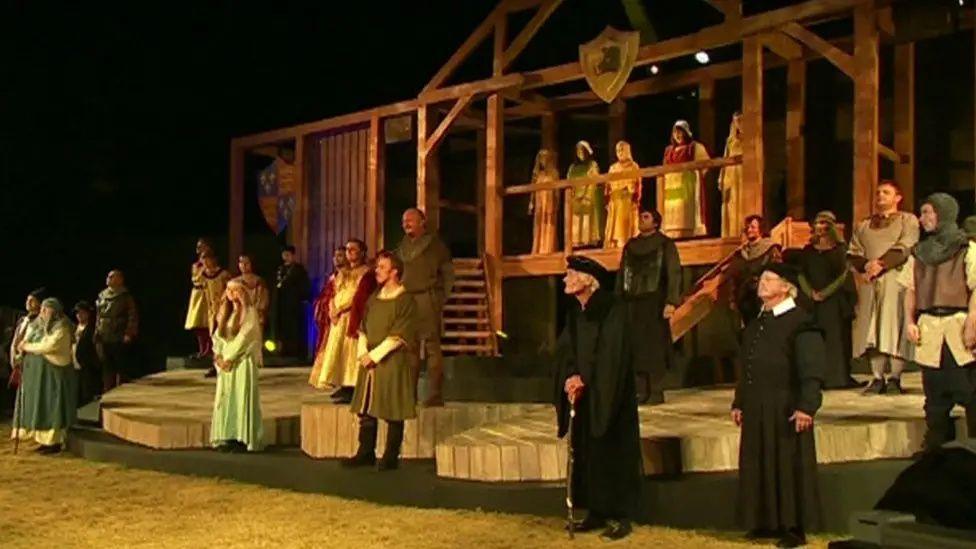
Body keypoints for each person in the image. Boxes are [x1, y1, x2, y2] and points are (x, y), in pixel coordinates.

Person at [730, 263, 824, 548]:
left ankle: (794, 527)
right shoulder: (758, 322)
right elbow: (747, 365)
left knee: (787, 462)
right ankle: (765, 521)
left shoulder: (801, 321)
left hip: (786, 404)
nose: (763, 283)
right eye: (763, 278)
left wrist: (807, 406)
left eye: (770, 279)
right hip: (758, 403)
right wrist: (740, 401)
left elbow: (811, 369)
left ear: (786, 288)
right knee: (759, 459)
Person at [555, 256, 641, 541]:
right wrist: (570, 376)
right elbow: (566, 350)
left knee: (611, 451)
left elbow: (611, 355)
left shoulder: (612, 309)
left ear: (588, 280)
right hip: (585, 396)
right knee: (588, 452)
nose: (565, 279)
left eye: (571, 274)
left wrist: (587, 379)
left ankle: (620, 515)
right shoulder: (575, 313)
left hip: (609, 393)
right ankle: (596, 510)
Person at [898, 193, 976, 452]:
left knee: (969, 389)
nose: (922, 219)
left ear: (943, 214)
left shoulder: (967, 248)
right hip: (930, 326)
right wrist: (910, 321)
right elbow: (910, 289)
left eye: (927, 212)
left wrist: (972, 324)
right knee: (934, 393)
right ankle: (936, 445)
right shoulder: (919, 253)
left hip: (958, 323)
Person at [343, 251, 417, 471]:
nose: (377, 270)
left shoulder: (405, 300)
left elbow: (399, 334)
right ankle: (365, 452)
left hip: (391, 361)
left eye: (382, 267)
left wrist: (375, 356)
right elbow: (364, 326)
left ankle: (390, 456)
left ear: (394, 272)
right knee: (366, 408)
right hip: (369, 361)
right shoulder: (374, 297)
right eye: (377, 267)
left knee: (392, 407)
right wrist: (363, 351)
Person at [848, 180, 919, 395]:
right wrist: (866, 265)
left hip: (895, 280)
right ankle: (877, 377)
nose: (880, 196)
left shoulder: (908, 220)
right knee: (871, 330)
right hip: (870, 283)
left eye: (886, 193)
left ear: (897, 198)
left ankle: (895, 378)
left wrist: (881, 263)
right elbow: (853, 251)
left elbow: (906, 246)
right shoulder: (864, 224)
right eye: (878, 192)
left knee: (893, 326)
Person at [615, 209, 680, 404]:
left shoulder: (665, 244)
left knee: (655, 348)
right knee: (635, 347)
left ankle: (656, 391)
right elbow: (622, 274)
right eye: (640, 217)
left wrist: (671, 301)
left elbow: (674, 273)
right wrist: (618, 300)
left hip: (655, 301)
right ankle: (640, 391)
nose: (641, 220)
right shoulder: (631, 246)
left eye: (646, 217)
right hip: (633, 302)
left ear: (656, 222)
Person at [791, 211, 859, 389]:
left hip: (833, 301)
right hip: (811, 301)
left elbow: (843, 276)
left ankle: (836, 378)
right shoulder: (808, 251)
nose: (820, 227)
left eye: (824, 224)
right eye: (818, 223)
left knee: (835, 339)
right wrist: (810, 292)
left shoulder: (840, 250)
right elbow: (801, 273)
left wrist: (825, 293)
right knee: (814, 339)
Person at [396, 208, 454, 407]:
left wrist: (440, 298)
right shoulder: (403, 247)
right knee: (409, 348)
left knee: (431, 347)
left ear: (422, 222)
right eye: (404, 221)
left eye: (411, 220)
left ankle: (435, 394)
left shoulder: (435, 245)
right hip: (407, 300)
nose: (407, 224)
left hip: (426, 299)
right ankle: (409, 395)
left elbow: (448, 274)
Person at [309, 239, 376, 403]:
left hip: (351, 316)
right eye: (347, 249)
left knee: (350, 351)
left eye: (353, 249)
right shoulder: (342, 273)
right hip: (337, 318)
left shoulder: (366, 272)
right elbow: (332, 293)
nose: (349, 252)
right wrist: (332, 308)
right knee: (338, 351)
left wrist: (341, 309)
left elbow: (359, 296)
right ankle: (342, 384)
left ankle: (352, 386)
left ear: (362, 252)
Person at [12, 298, 79, 454]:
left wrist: (28, 347)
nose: (42, 312)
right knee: (39, 406)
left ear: (54, 311)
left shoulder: (62, 327)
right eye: (41, 309)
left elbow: (50, 346)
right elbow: (24, 340)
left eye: (46, 309)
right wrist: (21, 352)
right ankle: (42, 440)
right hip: (37, 376)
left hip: (53, 375)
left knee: (51, 406)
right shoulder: (36, 325)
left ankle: (53, 442)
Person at [211, 279, 265, 453]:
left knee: (241, 397)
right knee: (226, 400)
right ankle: (227, 435)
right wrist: (219, 356)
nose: (231, 293)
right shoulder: (225, 313)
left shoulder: (249, 313)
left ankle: (242, 438)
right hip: (226, 364)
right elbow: (218, 336)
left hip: (241, 362)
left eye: (235, 290)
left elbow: (246, 336)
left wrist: (230, 357)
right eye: (228, 290)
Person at [658, 120, 710, 239]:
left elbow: (705, 164)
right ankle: (673, 233)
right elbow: (664, 168)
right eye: (676, 133)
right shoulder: (668, 150)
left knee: (686, 211)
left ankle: (688, 233)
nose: (678, 135)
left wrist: (694, 174)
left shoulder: (694, 147)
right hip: (671, 188)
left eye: (681, 132)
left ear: (686, 133)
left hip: (688, 185)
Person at [729, 215, 782, 323]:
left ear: (760, 229)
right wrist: (732, 299)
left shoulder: (770, 250)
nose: (749, 230)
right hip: (744, 299)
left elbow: (778, 273)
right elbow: (734, 277)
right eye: (747, 227)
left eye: (753, 227)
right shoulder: (740, 254)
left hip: (763, 299)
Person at [95, 270, 138, 391]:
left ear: (120, 279)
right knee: (106, 365)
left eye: (112, 277)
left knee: (120, 365)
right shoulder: (102, 295)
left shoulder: (125, 296)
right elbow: (98, 316)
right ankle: (107, 390)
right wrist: (97, 333)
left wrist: (129, 333)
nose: (108, 279)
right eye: (108, 276)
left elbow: (132, 316)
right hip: (104, 334)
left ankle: (121, 390)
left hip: (118, 334)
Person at [270, 245, 311, 359]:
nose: (286, 257)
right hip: (281, 305)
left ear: (293, 255)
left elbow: (304, 286)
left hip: (294, 304)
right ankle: (282, 350)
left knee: (295, 328)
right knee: (282, 329)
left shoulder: (299, 269)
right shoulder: (280, 269)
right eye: (284, 255)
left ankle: (296, 352)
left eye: (288, 255)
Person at [604, 141, 641, 249]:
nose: (620, 152)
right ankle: (615, 244)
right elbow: (607, 186)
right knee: (615, 225)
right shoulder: (613, 168)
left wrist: (635, 197)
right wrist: (607, 199)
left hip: (627, 200)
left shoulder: (634, 166)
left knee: (626, 225)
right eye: (618, 150)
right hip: (615, 201)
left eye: (622, 150)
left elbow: (638, 184)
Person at [567, 141, 603, 249]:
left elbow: (593, 181)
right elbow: (569, 181)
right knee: (576, 220)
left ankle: (588, 241)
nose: (580, 153)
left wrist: (587, 196)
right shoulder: (572, 167)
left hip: (588, 197)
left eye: (582, 151)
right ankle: (577, 242)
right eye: (578, 151)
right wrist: (572, 195)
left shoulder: (592, 165)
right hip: (575, 198)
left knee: (587, 219)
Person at [8, 288, 45, 390]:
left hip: (31, 361)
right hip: (18, 361)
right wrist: (14, 356)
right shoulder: (23, 320)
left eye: (32, 300)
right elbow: (15, 340)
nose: (28, 302)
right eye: (27, 300)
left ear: (39, 303)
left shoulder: (42, 321)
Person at [313, 246, 348, 352]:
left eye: (340, 256)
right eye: (335, 256)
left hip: (343, 316)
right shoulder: (332, 277)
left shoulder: (349, 276)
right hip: (329, 315)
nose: (336, 258)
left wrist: (337, 309)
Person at [184, 239, 214, 358]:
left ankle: (209, 349)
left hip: (207, 292)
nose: (199, 250)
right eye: (198, 247)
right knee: (197, 323)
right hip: (197, 293)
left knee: (208, 322)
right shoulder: (196, 265)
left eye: (202, 247)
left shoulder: (211, 263)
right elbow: (195, 278)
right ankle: (202, 349)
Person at [529, 149, 560, 254]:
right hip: (539, 201)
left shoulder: (554, 173)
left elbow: (557, 190)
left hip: (549, 201)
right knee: (539, 223)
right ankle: (538, 248)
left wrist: (557, 201)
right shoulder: (538, 175)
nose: (543, 161)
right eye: (541, 158)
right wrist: (531, 202)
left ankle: (548, 248)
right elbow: (533, 189)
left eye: (545, 158)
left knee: (549, 223)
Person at [718, 112, 743, 238]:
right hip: (732, 174)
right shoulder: (730, 141)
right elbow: (725, 158)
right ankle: (732, 233)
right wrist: (722, 178)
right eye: (736, 121)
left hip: (744, 174)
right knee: (732, 203)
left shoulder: (750, 139)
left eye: (741, 120)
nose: (739, 123)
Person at [72, 301, 101, 404]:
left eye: (82, 313)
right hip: (74, 366)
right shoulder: (74, 328)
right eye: (77, 313)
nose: (79, 315)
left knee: (86, 395)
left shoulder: (93, 330)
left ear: (88, 314)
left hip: (87, 367)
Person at [232, 253, 269, 327]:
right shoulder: (234, 281)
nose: (244, 265)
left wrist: (259, 313)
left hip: (255, 315)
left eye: (247, 262)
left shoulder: (259, 281)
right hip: (238, 315)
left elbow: (263, 300)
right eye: (241, 262)